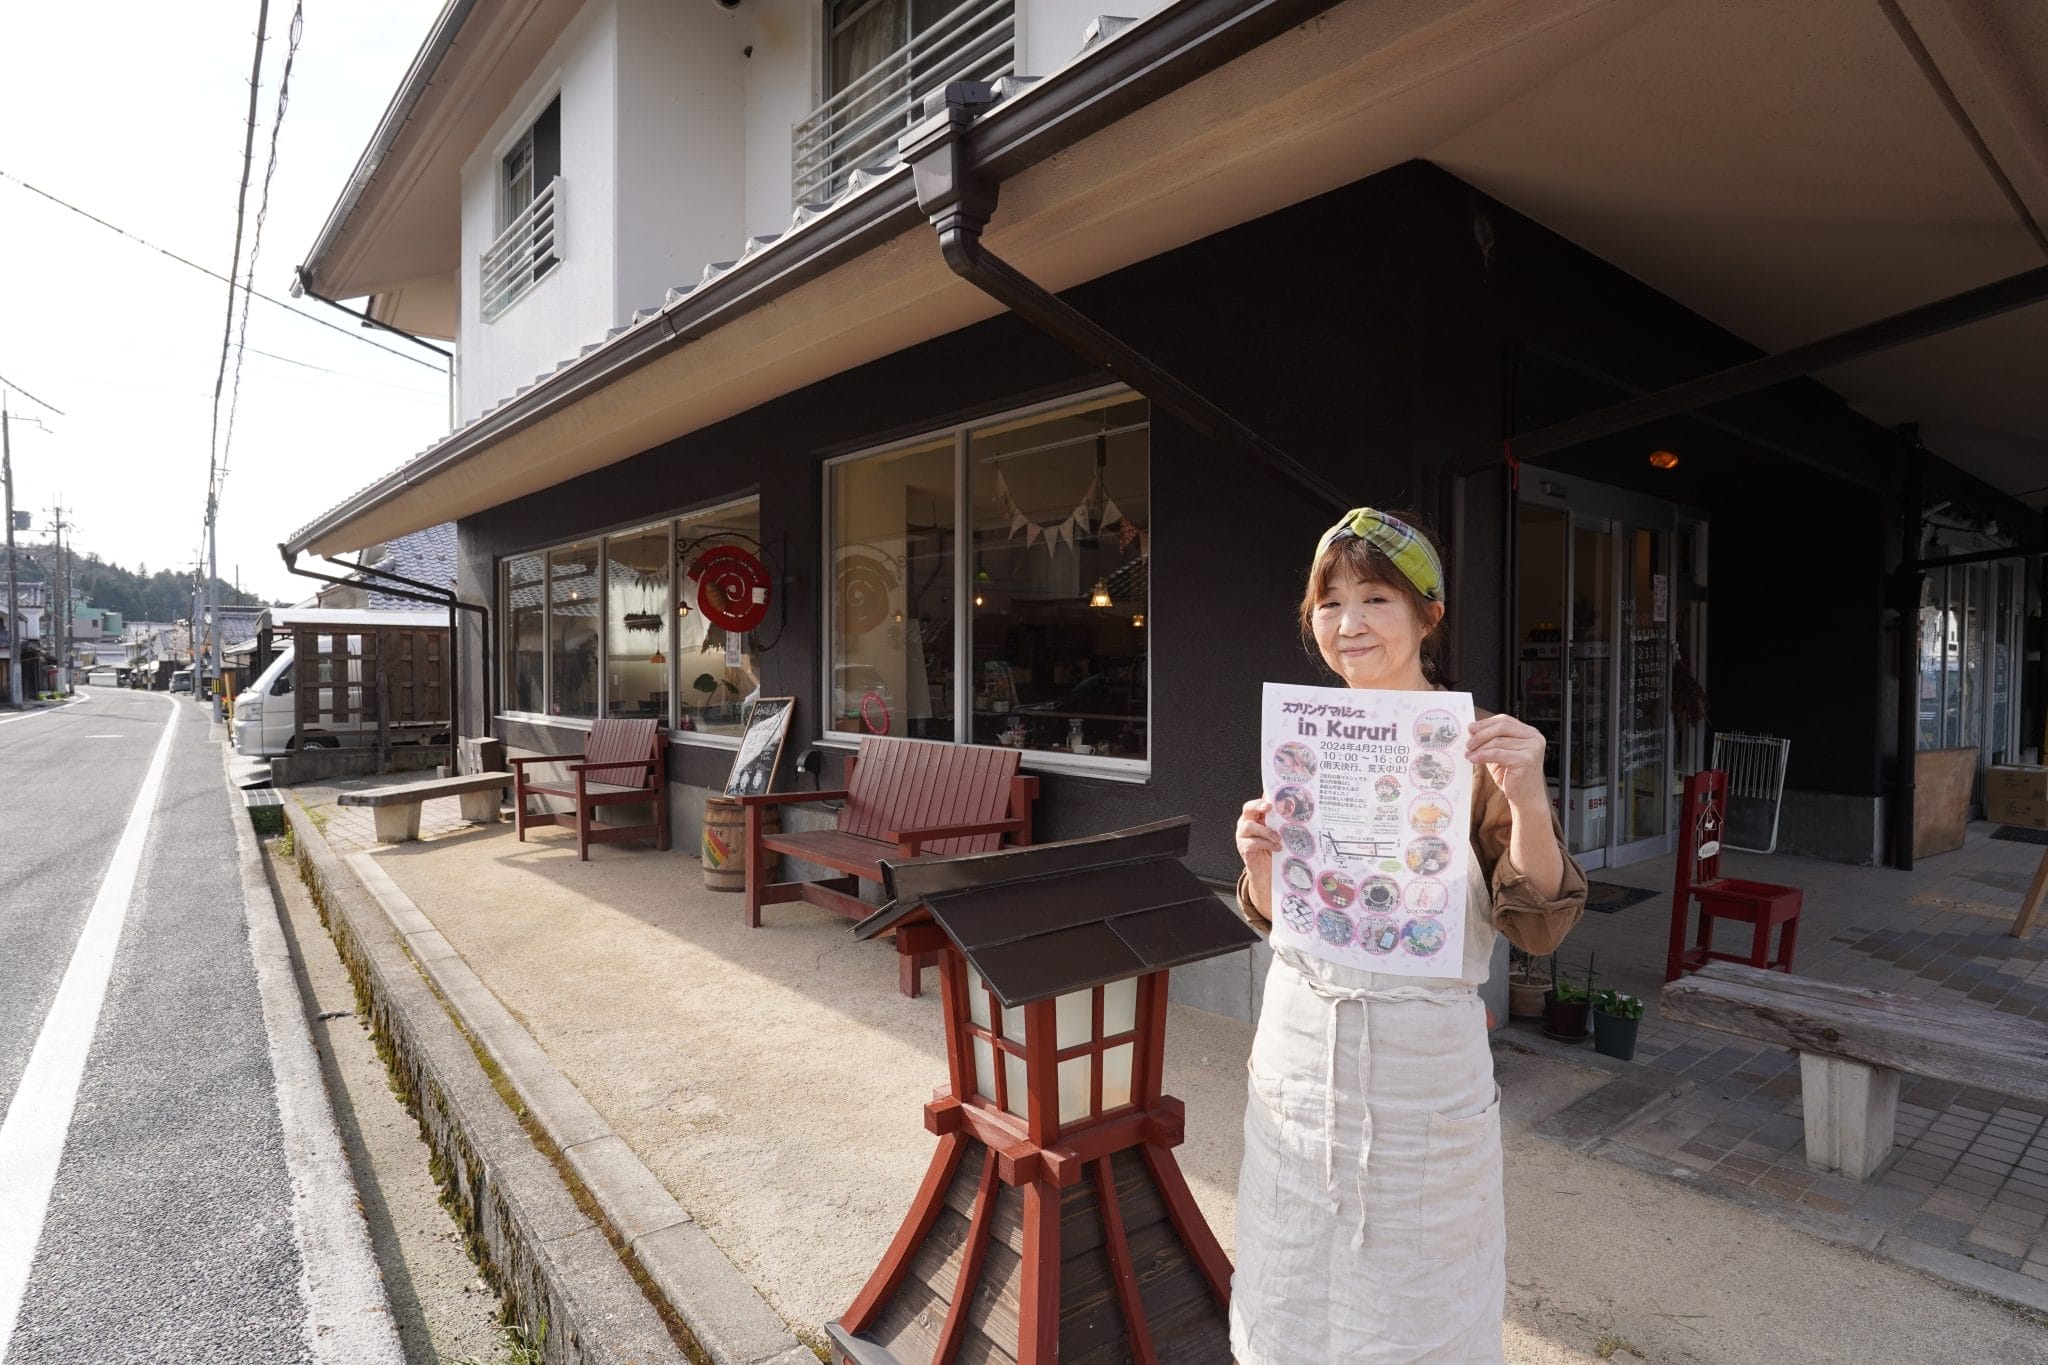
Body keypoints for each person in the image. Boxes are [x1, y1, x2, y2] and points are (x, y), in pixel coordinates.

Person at [1230, 507, 1587, 1363]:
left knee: (1420, 1301)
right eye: (1330, 602)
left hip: (1419, 1067)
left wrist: (1528, 795)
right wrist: (1260, 862)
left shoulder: (1475, 747)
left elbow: (1537, 918)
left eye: (1376, 598)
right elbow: (1285, 916)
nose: (1348, 622)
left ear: (1429, 614)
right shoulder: (1307, 738)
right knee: (1288, 1280)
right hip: (1299, 1044)